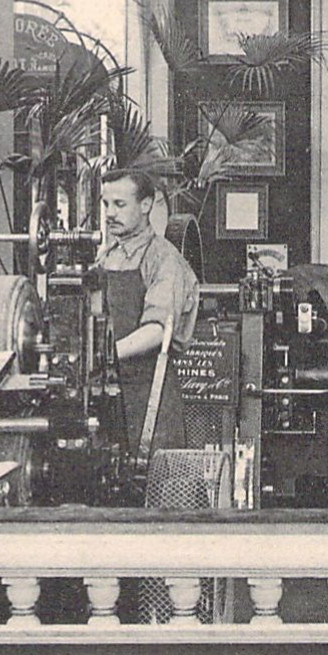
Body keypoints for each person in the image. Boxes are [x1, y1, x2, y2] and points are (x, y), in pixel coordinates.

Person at [97, 168, 199, 453]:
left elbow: (158, 331)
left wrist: (102, 357)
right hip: (108, 395)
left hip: (150, 397)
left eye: (120, 204)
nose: (110, 213)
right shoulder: (106, 257)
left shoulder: (164, 259)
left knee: (155, 486)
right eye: (106, 204)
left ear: (145, 205)